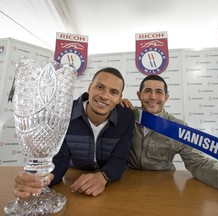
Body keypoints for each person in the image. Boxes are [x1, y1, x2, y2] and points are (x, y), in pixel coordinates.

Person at [121, 74, 218, 199]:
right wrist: (115, 105)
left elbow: (199, 163)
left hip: (164, 189)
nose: (153, 96)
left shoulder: (178, 128)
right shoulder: (127, 116)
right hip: (128, 186)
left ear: (166, 97)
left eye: (159, 92)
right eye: (147, 91)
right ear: (139, 95)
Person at [14, 67, 135, 198]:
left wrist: (103, 176)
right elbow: (60, 160)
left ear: (119, 98)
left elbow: (120, 158)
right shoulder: (64, 112)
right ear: (89, 88)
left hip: (110, 188)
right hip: (73, 180)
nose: (105, 96)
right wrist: (42, 180)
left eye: (113, 92)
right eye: (99, 87)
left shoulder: (126, 116)